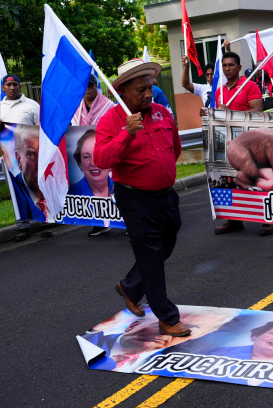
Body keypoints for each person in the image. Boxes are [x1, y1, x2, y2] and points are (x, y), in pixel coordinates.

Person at [94, 58, 191, 338]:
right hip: (135, 199)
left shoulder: (162, 112)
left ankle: (131, 286)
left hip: (165, 195)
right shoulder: (111, 121)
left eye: (149, 88)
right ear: (123, 91)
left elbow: (174, 148)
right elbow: (101, 159)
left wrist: (160, 172)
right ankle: (167, 317)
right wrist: (126, 134)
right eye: (140, 90)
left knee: (167, 244)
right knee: (150, 255)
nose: (148, 94)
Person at [211, 51, 273, 237]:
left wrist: (229, 111)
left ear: (239, 68)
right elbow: (217, 117)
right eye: (224, 65)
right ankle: (234, 220)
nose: (227, 68)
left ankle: (268, 220)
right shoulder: (219, 91)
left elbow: (257, 111)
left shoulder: (250, 86)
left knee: (257, 179)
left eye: (231, 65)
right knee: (231, 180)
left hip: (250, 143)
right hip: (229, 143)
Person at [0, 74, 52, 241]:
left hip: (32, 156)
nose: (12, 88)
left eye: (15, 84)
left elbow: (42, 130)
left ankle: (45, 223)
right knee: (16, 191)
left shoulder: (32, 105)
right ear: (3, 88)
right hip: (10, 158)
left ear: (20, 86)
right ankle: (23, 227)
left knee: (36, 187)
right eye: (8, 85)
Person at [82, 306, 236, 372]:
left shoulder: (181, 366)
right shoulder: (92, 341)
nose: (166, 332)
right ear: (135, 323)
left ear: (198, 336)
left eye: (187, 328)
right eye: (161, 322)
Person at [70, 76, 116, 236]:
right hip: (89, 155)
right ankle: (100, 223)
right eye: (84, 86)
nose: (87, 89)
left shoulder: (109, 106)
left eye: (91, 85)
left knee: (113, 187)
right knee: (94, 188)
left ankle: (127, 222)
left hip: (107, 151)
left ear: (97, 86)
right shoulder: (77, 107)